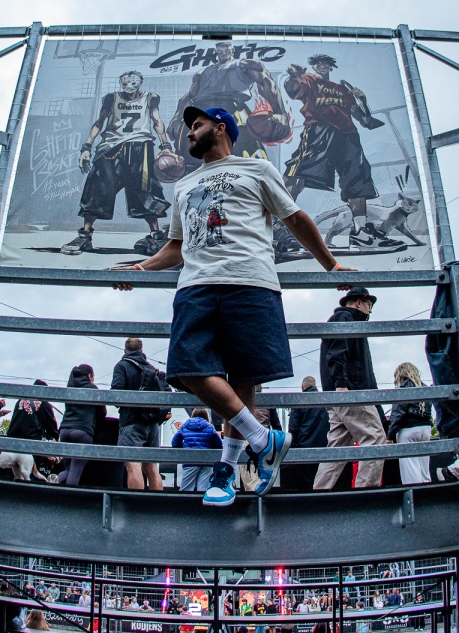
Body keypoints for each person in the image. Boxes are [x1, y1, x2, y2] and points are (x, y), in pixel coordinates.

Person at [113, 105, 350, 508]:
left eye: (197, 125)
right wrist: (139, 268)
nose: (190, 133)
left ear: (220, 128)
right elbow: (177, 246)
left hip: (251, 280)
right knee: (185, 368)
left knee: (243, 378)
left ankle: (225, 474)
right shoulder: (184, 185)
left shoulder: (256, 170)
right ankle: (262, 439)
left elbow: (294, 218)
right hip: (196, 284)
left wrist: (332, 265)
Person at [280, 54, 384, 253]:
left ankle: (360, 231)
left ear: (331, 67)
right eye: (319, 63)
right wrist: (294, 76)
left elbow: (364, 120)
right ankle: (278, 226)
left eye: (326, 63)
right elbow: (292, 89)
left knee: (358, 180)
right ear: (314, 66)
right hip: (320, 130)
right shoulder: (309, 80)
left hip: (348, 135)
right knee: (297, 174)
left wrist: (363, 100)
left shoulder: (343, 90)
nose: (322, 66)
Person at [63, 72, 173, 257]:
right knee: (97, 188)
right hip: (111, 146)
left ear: (139, 83)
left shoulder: (150, 98)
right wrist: (86, 147)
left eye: (133, 82)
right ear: (121, 83)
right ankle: (85, 236)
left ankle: (155, 236)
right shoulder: (111, 98)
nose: (129, 86)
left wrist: (166, 146)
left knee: (147, 190)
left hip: (140, 146)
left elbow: (157, 122)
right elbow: (99, 123)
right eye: (125, 82)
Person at [167, 40, 290, 172]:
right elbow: (189, 97)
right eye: (220, 50)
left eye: (227, 49)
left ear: (232, 50)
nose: (224, 53)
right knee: (192, 164)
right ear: (216, 51)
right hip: (202, 113)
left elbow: (267, 84)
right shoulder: (202, 73)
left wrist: (280, 112)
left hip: (232, 111)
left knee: (249, 162)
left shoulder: (244, 65)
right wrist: (176, 118)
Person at [314, 286, 387, 491]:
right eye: (369, 304)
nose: (370, 309)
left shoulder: (343, 319)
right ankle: (365, 493)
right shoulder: (346, 319)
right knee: (375, 439)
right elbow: (338, 354)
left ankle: (318, 493)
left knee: (337, 447)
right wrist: (341, 385)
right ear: (358, 303)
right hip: (351, 391)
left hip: (338, 394)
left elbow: (336, 354)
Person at [111, 336, 165, 491]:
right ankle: (157, 502)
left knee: (133, 463)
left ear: (125, 350)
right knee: (151, 466)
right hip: (152, 423)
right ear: (142, 350)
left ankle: (135, 502)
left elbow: (116, 395)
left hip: (131, 421)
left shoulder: (122, 366)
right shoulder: (151, 368)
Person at [56, 364, 106, 487]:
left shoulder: (70, 388)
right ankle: (68, 498)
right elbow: (102, 413)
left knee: (68, 469)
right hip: (82, 431)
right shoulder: (92, 388)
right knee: (75, 472)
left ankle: (52, 484)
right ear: (89, 376)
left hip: (65, 430)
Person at [385, 361, 432, 486]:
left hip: (408, 429)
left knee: (410, 466)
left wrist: (390, 436)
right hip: (425, 428)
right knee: (424, 465)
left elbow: (397, 414)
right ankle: (428, 490)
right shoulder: (425, 388)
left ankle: (414, 492)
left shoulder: (403, 389)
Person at [281, 375, 329, 492]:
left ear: (303, 387)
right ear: (315, 386)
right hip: (324, 447)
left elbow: (293, 428)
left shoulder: (299, 401)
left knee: (305, 483)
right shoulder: (325, 400)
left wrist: (292, 446)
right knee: (321, 479)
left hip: (304, 447)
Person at [171, 406, 223, 492]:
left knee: (186, 490)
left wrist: (183, 450)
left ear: (193, 415)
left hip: (189, 460)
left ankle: (185, 501)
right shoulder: (210, 427)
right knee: (203, 490)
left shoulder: (185, 425)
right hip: (206, 461)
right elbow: (218, 444)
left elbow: (175, 442)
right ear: (206, 416)